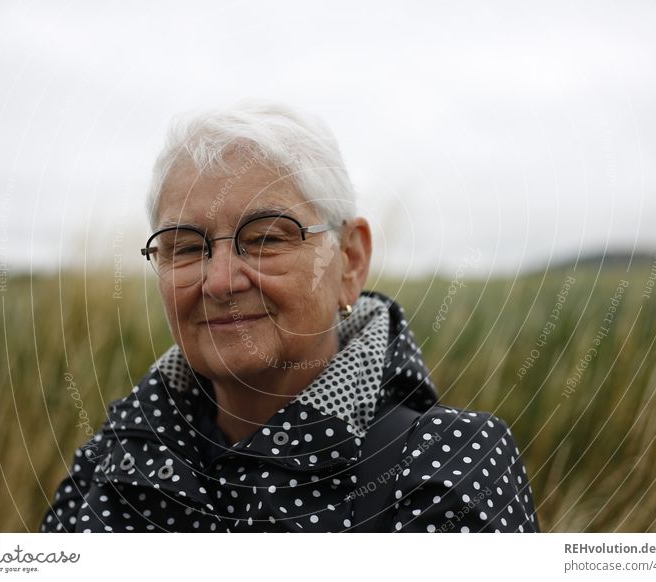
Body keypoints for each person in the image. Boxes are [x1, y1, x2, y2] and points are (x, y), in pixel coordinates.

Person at [40, 101, 540, 533]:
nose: (219, 281)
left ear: (349, 260)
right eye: (185, 247)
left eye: (265, 239)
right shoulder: (113, 457)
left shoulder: (449, 465)